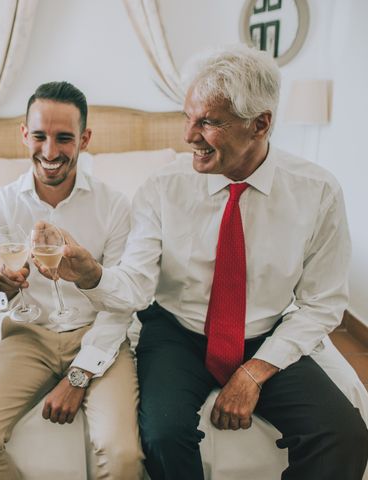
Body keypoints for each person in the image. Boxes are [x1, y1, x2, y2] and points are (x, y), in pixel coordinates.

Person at [48, 46, 368, 479]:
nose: (188, 136)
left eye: (208, 122)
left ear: (261, 124)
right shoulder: (163, 187)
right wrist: (92, 275)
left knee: (345, 435)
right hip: (176, 333)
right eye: (187, 117)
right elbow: (138, 286)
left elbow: (322, 304)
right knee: (162, 434)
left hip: (264, 332)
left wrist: (256, 372)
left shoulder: (318, 193)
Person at [0, 81, 144, 479]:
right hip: (28, 336)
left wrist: (79, 375)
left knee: (123, 455)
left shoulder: (116, 206)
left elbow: (124, 301)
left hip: (99, 333)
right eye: (39, 136)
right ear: (24, 134)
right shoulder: (0, 204)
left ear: (85, 139)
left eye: (64, 138)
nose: (50, 152)